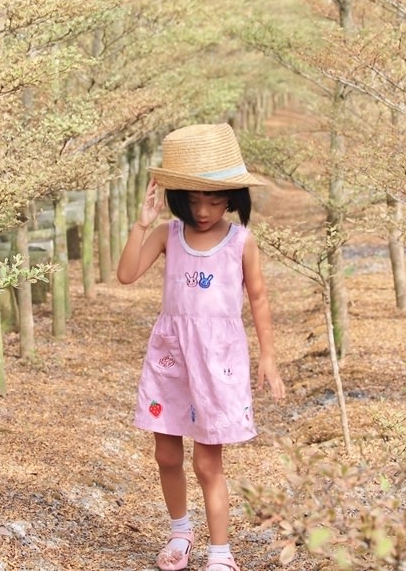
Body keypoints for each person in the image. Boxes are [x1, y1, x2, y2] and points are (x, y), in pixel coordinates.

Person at [115, 123, 286, 571]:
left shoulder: (241, 242)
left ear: (232, 198)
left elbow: (260, 297)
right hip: (171, 357)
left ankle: (220, 553)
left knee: (208, 463)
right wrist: (141, 222)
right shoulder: (168, 235)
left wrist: (268, 356)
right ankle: (180, 533)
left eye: (213, 199)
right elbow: (127, 274)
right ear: (179, 198)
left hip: (218, 361)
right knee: (166, 453)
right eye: (194, 199)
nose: (204, 209)